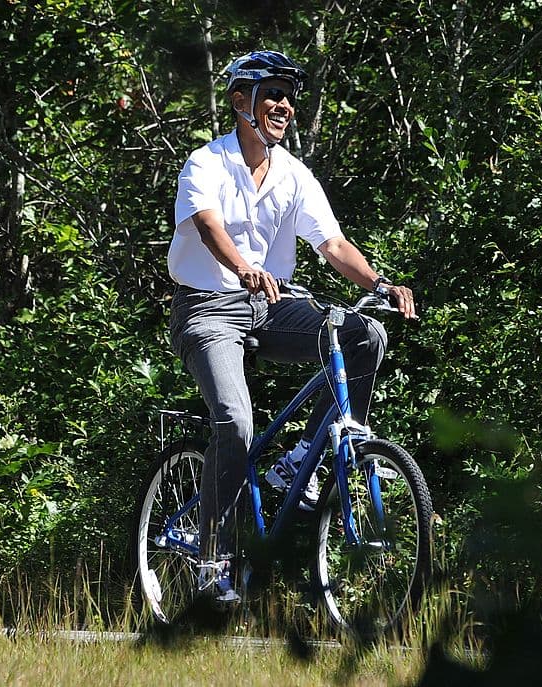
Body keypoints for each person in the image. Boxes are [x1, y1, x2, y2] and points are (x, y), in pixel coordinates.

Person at [167, 51, 416, 602]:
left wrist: (378, 285)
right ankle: (212, 559)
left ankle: (303, 457)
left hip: (271, 305)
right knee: (234, 422)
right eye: (271, 94)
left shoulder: (293, 174)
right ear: (241, 102)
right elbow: (208, 226)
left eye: (289, 97)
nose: (284, 106)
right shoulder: (206, 164)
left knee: (362, 335)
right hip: (207, 308)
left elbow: (333, 245)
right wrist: (243, 268)